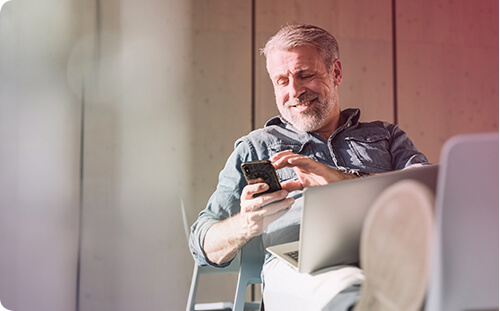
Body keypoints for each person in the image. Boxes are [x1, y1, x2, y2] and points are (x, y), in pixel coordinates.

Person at [189, 24, 430, 310]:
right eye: (281, 81)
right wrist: (245, 224)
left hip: (389, 256)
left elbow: (428, 195)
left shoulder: (386, 137)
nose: (295, 91)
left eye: (306, 75)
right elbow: (202, 243)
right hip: (302, 268)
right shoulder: (257, 147)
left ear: (336, 72)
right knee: (347, 286)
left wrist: (342, 181)